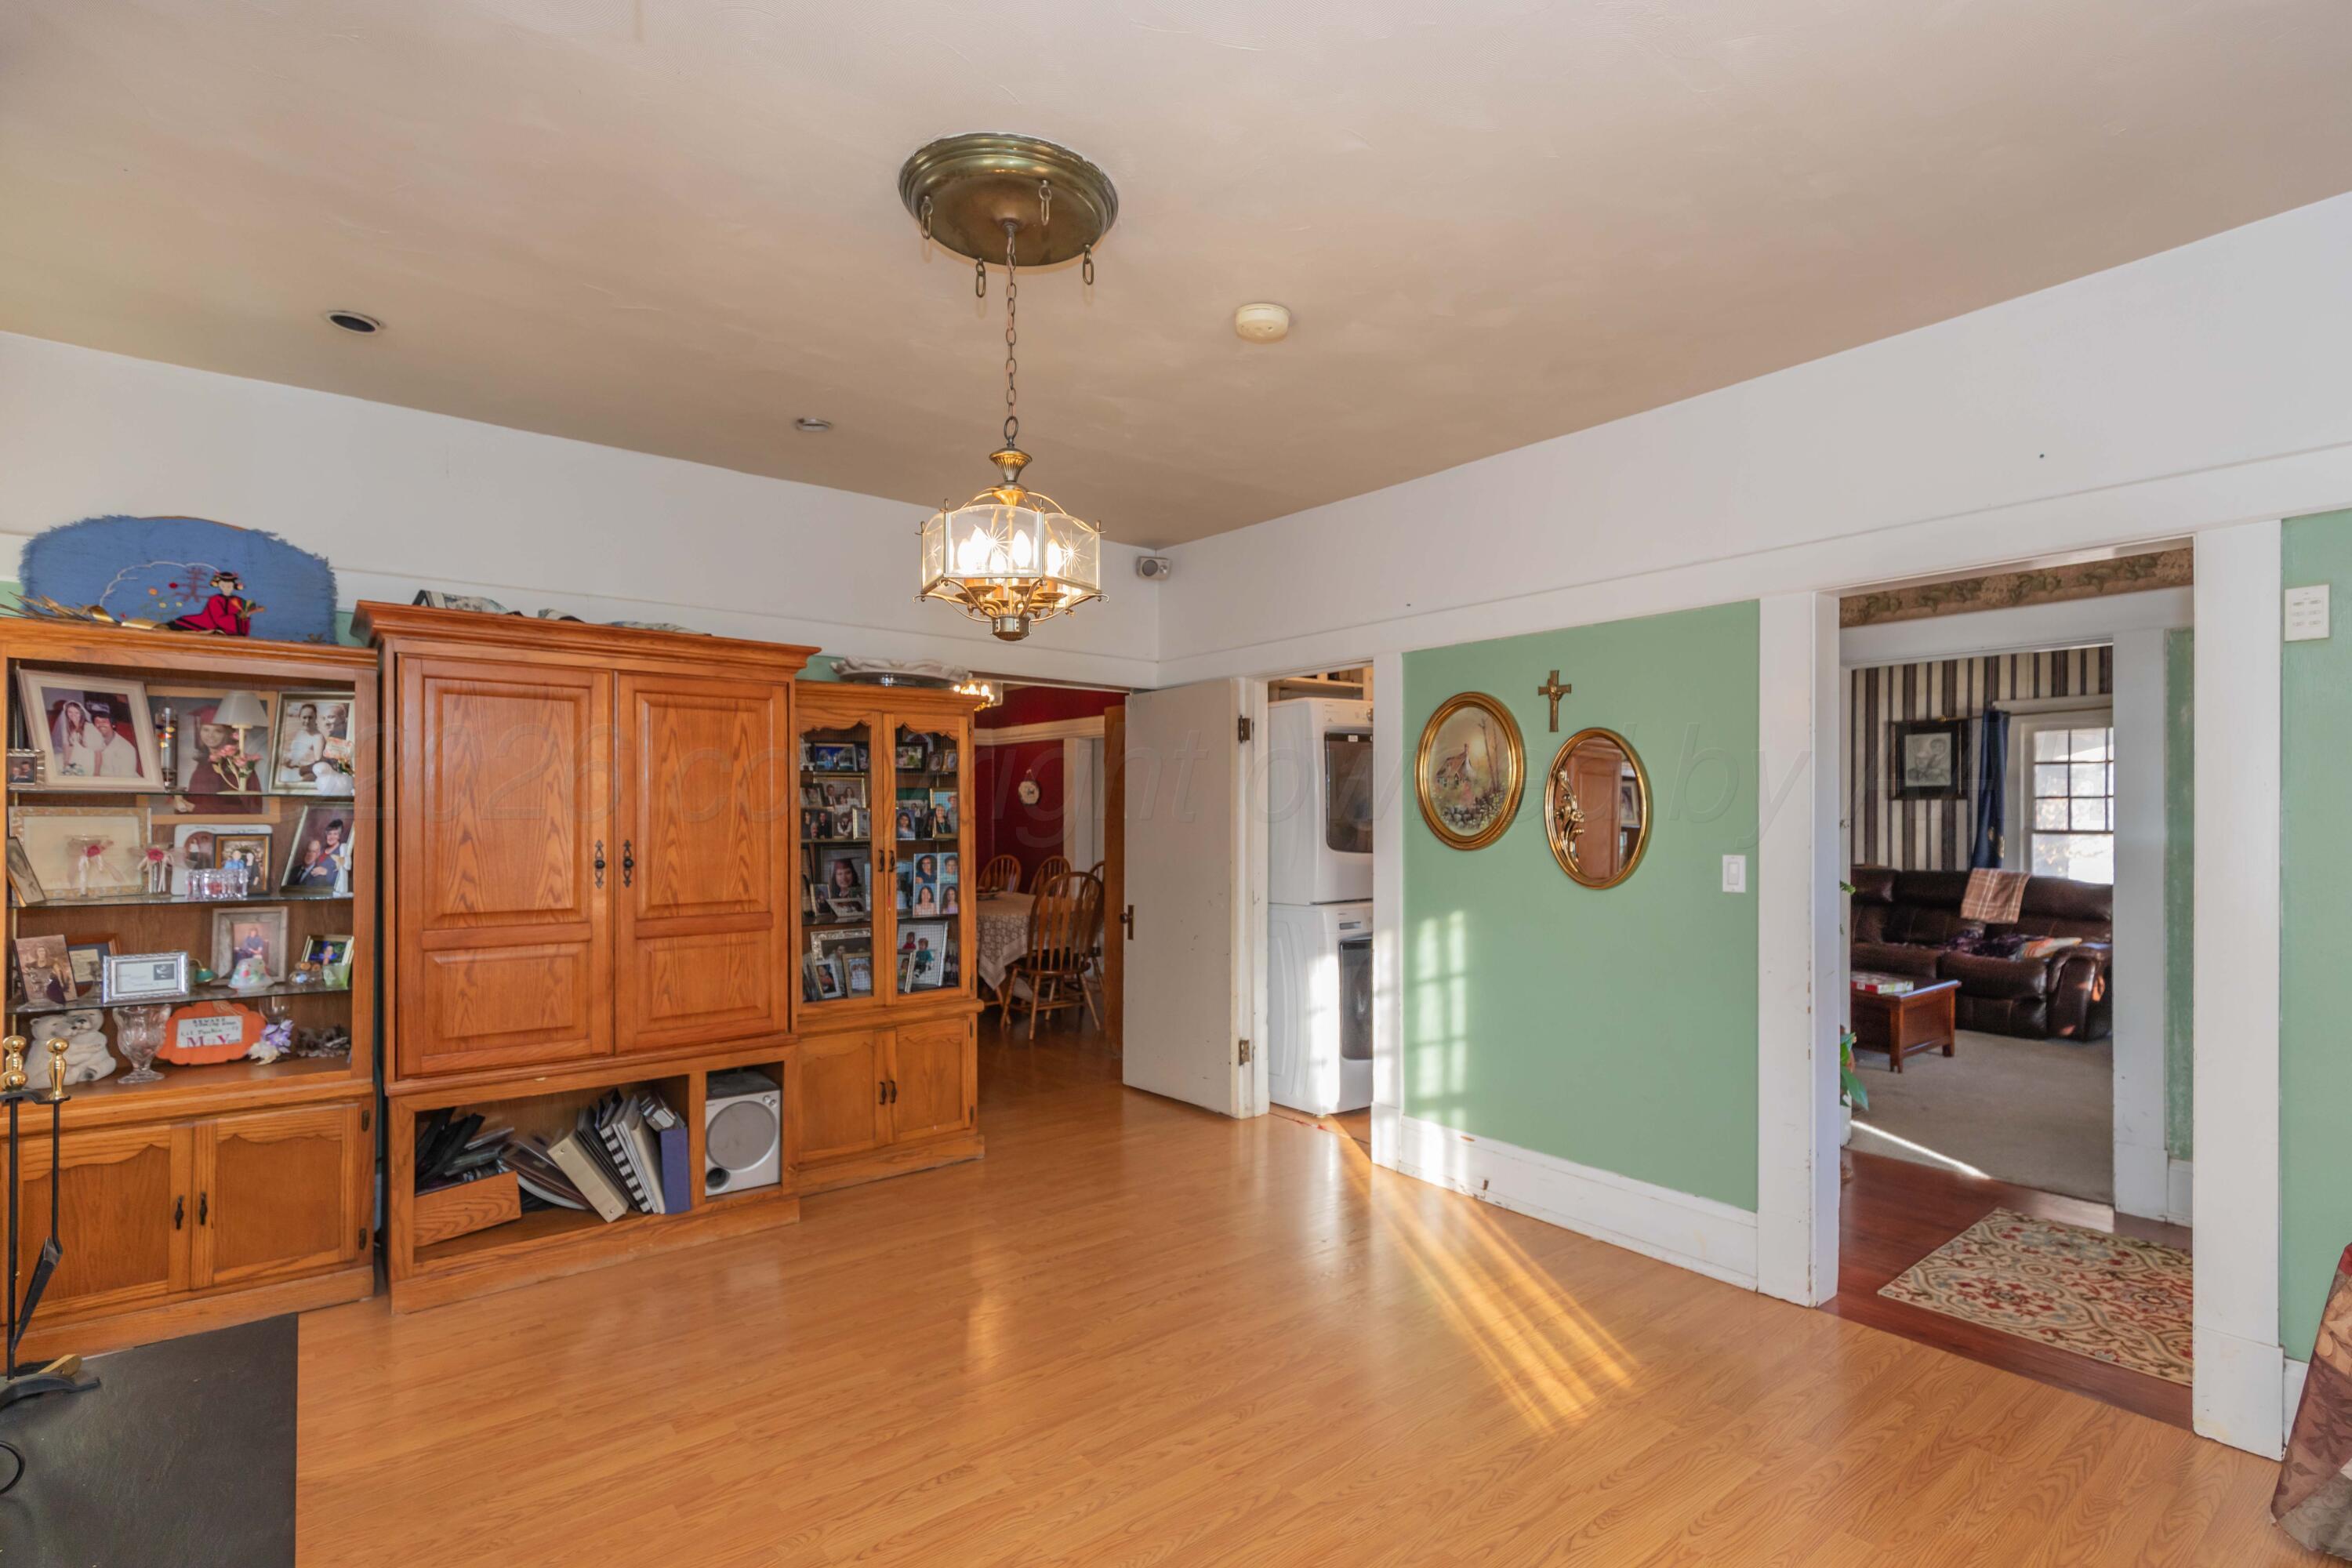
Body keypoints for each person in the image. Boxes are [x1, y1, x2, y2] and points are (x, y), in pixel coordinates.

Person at [85, 702, 143, 778]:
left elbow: (126, 781)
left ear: (113, 724)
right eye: (97, 721)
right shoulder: (92, 741)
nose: (100, 724)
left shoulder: (126, 749)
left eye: (105, 721)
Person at [49, 699, 96, 777]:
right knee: (54, 762)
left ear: (81, 713)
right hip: (73, 753)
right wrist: (66, 762)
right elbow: (67, 746)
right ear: (66, 713)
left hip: (88, 755)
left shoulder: (89, 727)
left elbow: (97, 749)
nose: (73, 715)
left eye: (76, 712)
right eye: (70, 712)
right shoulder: (67, 728)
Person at [281, 702, 326, 775]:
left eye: (310, 717)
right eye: (304, 717)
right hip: (292, 768)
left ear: (315, 718)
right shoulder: (301, 732)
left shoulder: (318, 738)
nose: (307, 721)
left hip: (305, 773)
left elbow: (318, 763)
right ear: (300, 717)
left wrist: (296, 766)